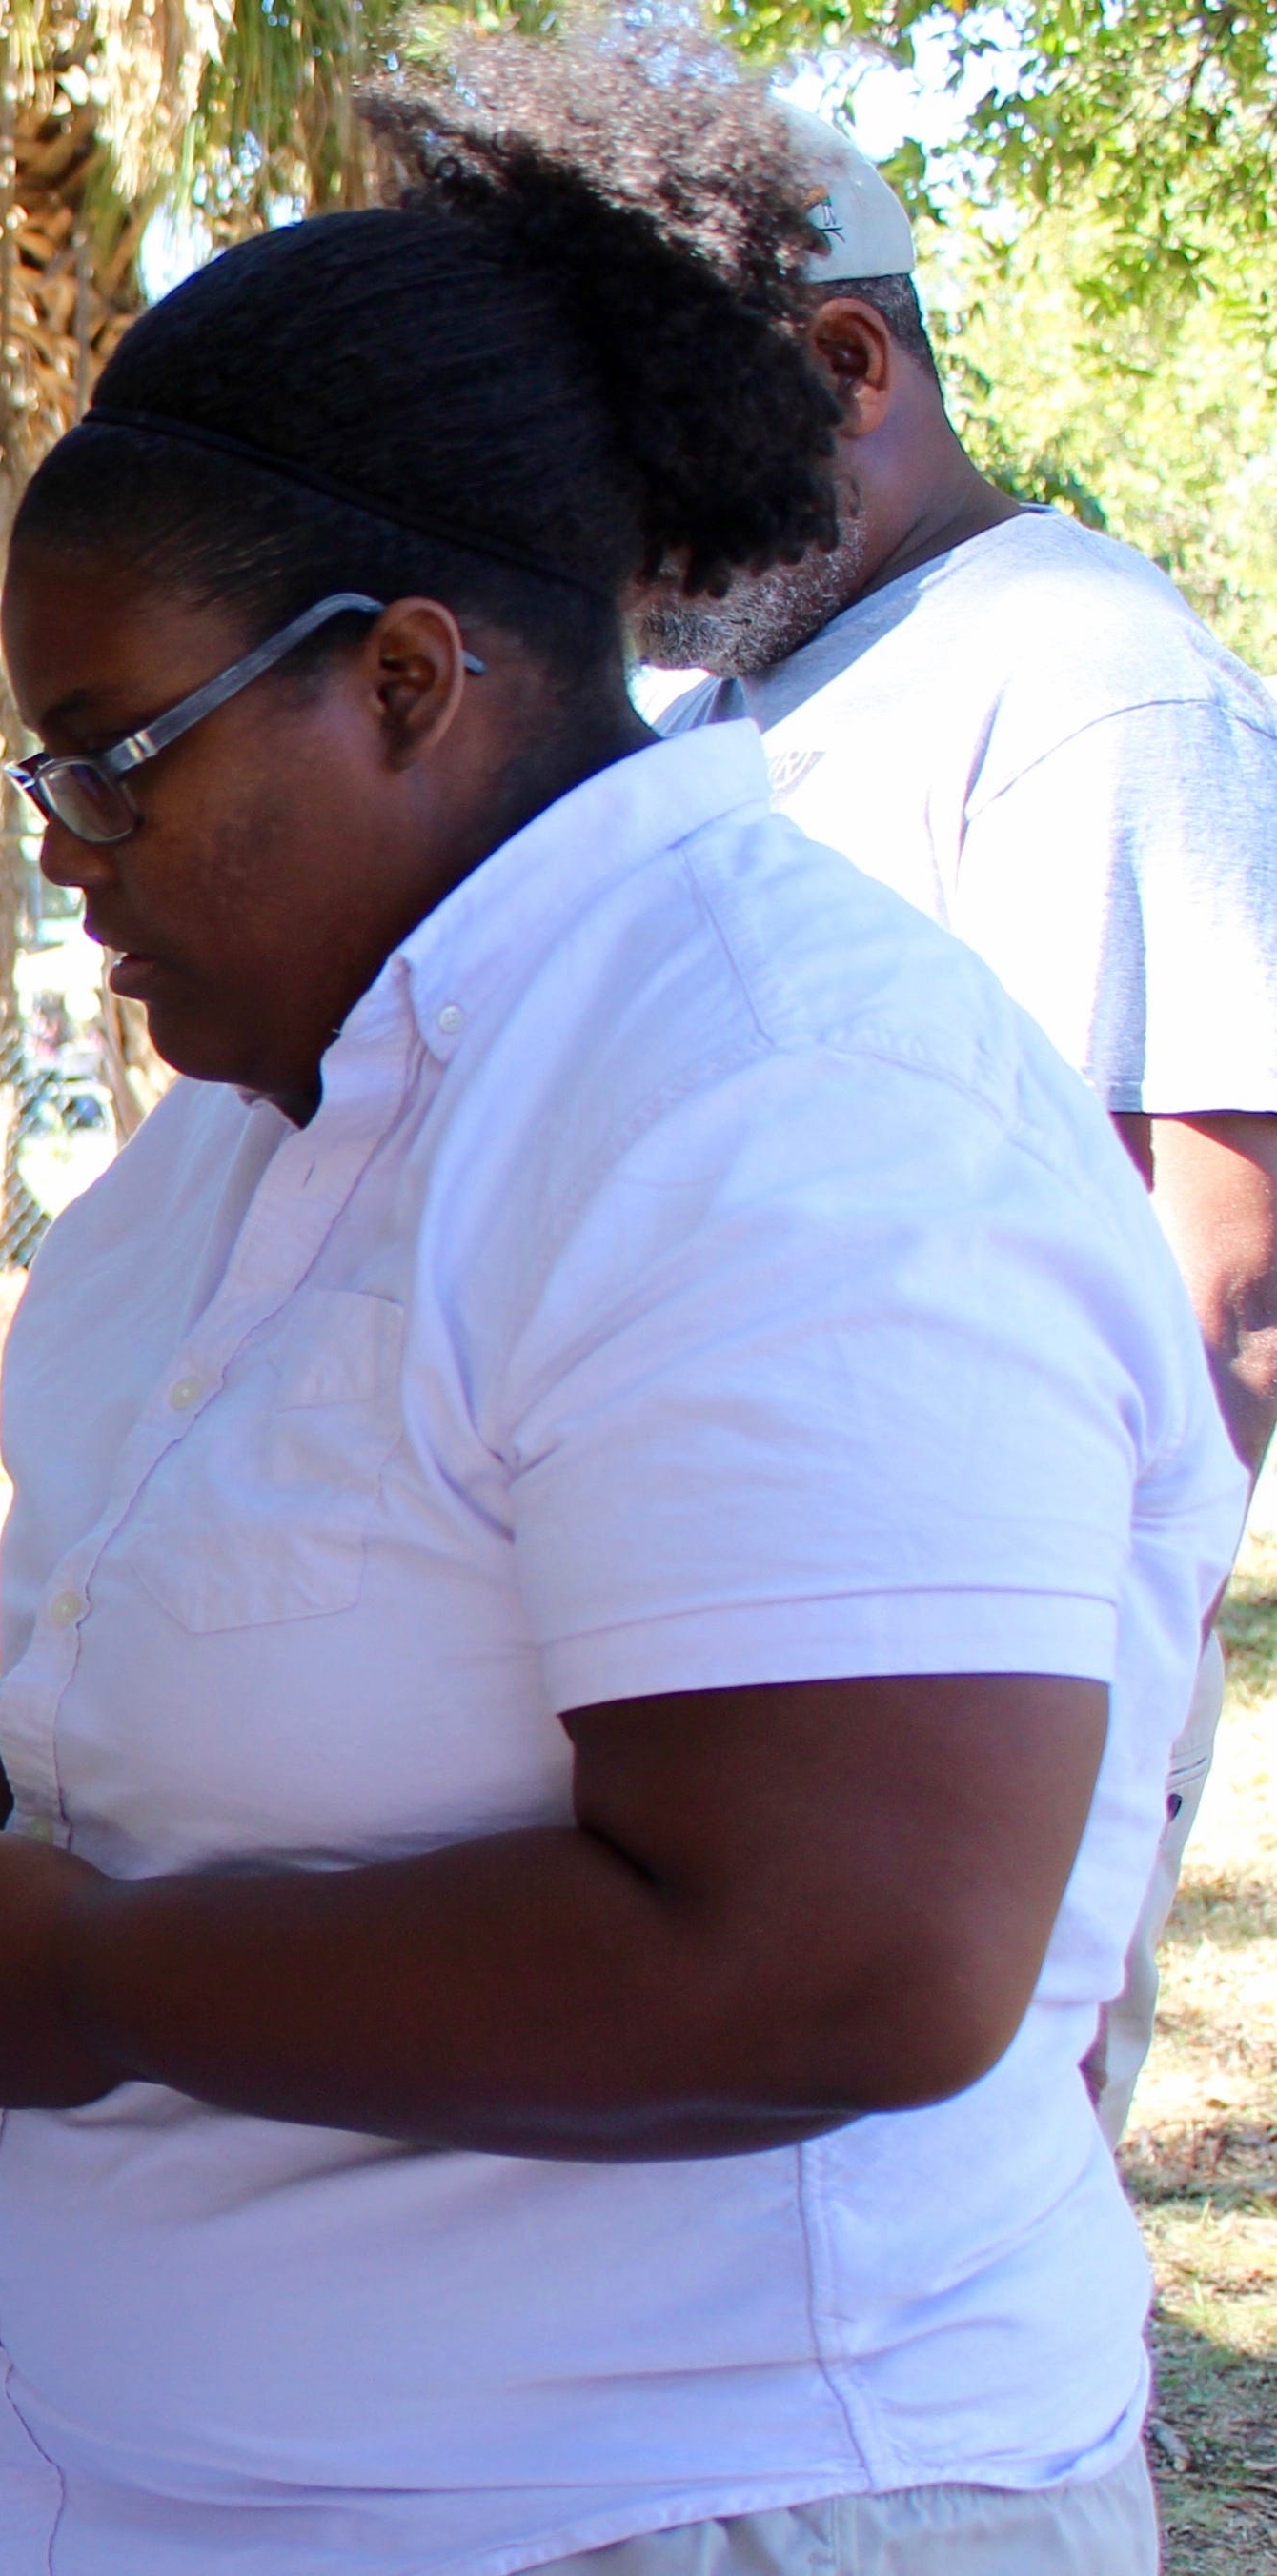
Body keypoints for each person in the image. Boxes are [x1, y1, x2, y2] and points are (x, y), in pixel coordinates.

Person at [0, 78, 1232, 2576]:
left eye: (111, 748)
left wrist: (87, 1971)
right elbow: (314, 1634)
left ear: (409, 675)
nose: (60, 837)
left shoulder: (775, 1098)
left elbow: (843, 1945)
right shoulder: (265, 1118)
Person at [563, 62, 1277, 2140]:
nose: (615, 557)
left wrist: (1059, 1816)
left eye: (648, 476)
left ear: (849, 363)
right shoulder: (738, 698)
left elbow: (1219, 1301)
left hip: (977, 1727)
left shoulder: (1087, 685)